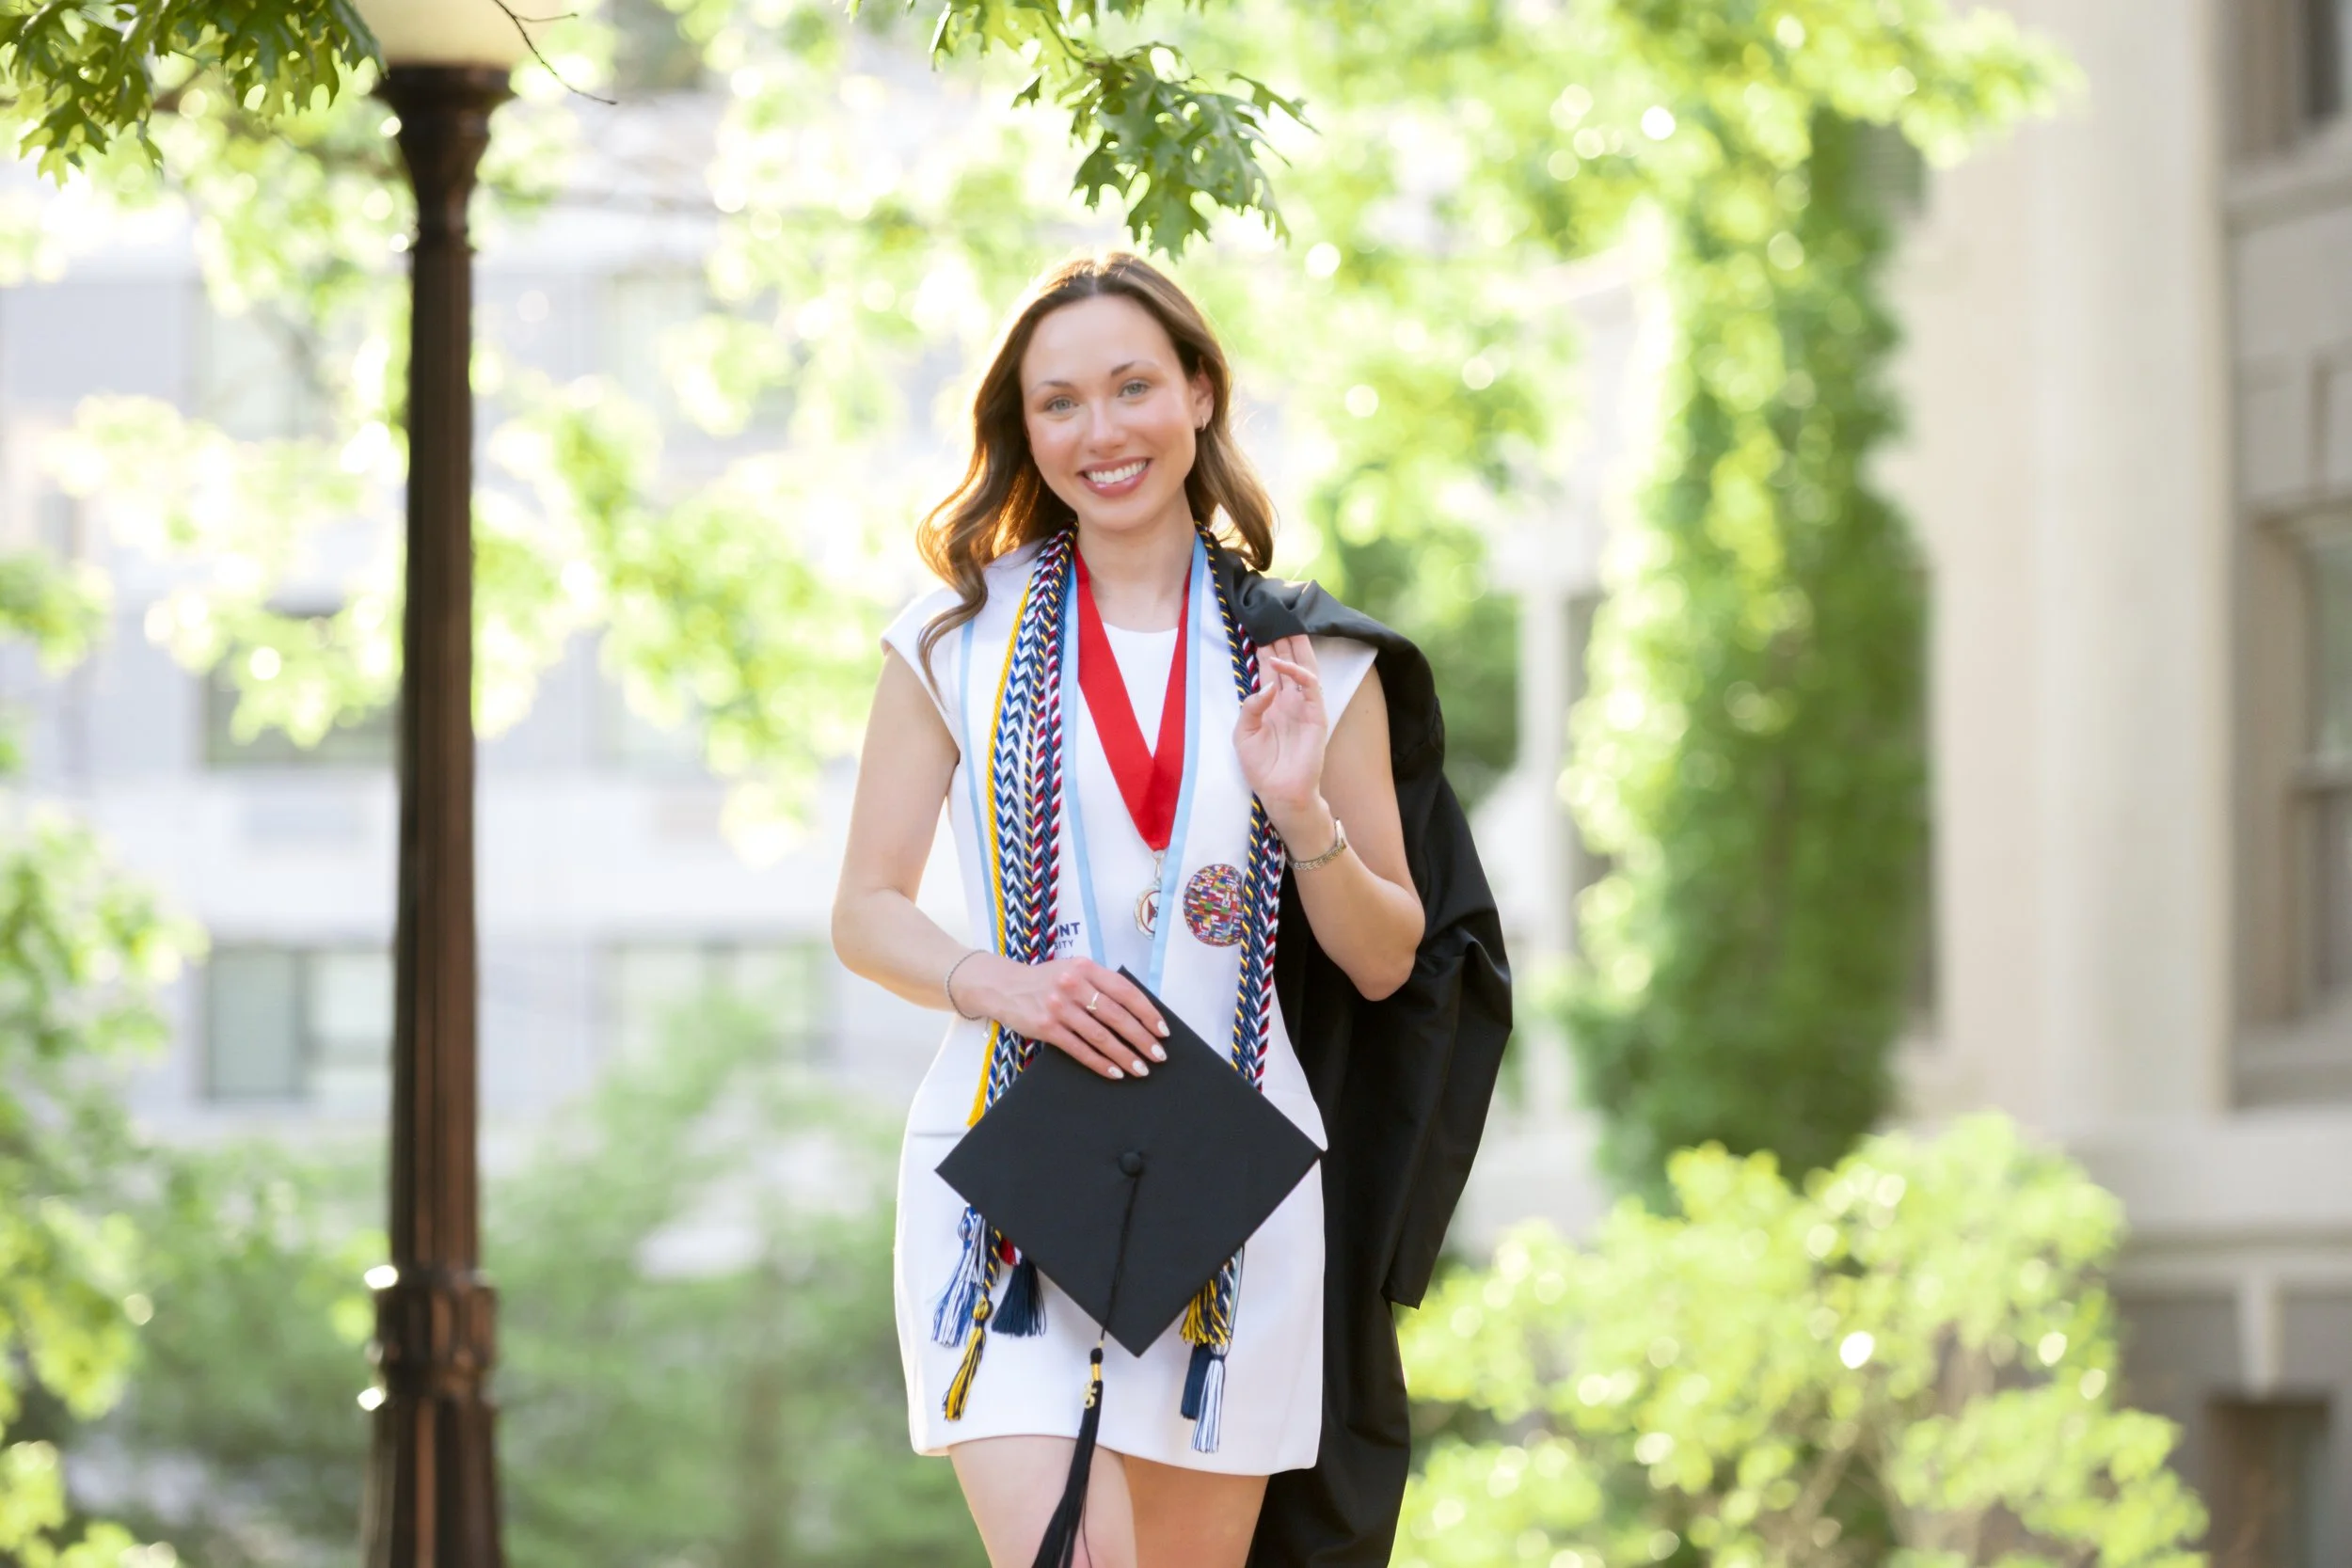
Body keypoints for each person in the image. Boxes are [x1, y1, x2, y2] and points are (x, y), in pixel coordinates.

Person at [832, 249, 1509, 1568]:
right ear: (1022, 429)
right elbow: (865, 909)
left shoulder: (1316, 658)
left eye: (1133, 386)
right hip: (1008, 1173)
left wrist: (1301, 809)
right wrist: (999, 982)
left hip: (1225, 1191)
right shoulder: (951, 638)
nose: (1102, 431)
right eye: (1060, 403)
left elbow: (1387, 964)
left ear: (1199, 393)